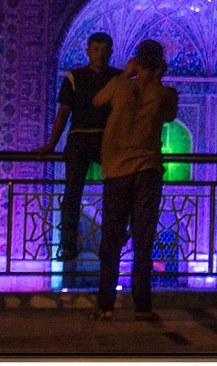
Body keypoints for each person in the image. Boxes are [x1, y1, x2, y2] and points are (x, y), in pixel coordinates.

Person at [88, 39, 178, 321]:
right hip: (148, 171)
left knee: (112, 240)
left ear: (137, 61)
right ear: (160, 65)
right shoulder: (165, 93)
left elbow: (97, 100)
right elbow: (169, 116)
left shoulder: (120, 85)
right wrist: (156, 79)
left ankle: (105, 306)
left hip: (116, 171)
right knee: (143, 239)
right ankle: (142, 307)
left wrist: (127, 75)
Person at [38, 31, 122, 272]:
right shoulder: (75, 77)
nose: (100, 54)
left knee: (116, 191)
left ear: (111, 52)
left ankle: (114, 238)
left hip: (107, 140)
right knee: (72, 193)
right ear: (87, 51)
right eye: (96, 49)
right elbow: (64, 112)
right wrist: (51, 144)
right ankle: (67, 245)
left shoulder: (117, 78)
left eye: (105, 50)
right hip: (79, 140)